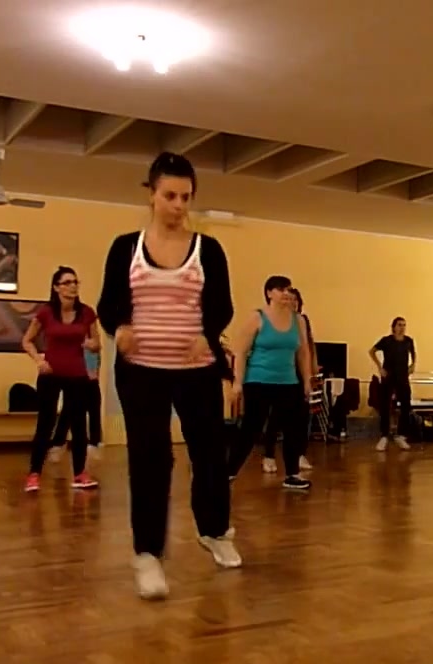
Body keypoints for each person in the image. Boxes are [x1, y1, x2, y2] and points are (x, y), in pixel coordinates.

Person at [96, 151, 240, 601]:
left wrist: (206, 336)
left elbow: (222, 306)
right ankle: (148, 553)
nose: (178, 205)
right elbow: (108, 304)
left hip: (195, 371)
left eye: (186, 197)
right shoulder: (126, 248)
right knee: (151, 458)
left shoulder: (208, 250)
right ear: (152, 195)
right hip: (141, 372)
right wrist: (119, 328)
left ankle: (214, 530)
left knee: (210, 454)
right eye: (170, 195)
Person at [227, 275, 313, 491]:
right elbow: (241, 352)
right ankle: (228, 471)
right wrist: (238, 383)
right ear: (269, 293)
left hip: (288, 381)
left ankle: (292, 474)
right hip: (258, 380)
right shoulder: (257, 317)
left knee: (293, 429)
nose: (286, 293)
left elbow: (303, 352)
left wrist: (306, 380)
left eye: (288, 289)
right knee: (251, 428)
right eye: (281, 289)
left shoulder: (298, 320)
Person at [21, 266, 100, 492]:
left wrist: (91, 345)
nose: (73, 286)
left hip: (77, 375)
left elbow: (97, 343)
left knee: (78, 426)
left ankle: (80, 474)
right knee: (45, 424)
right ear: (56, 287)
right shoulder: (46, 312)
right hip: (51, 374)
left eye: (75, 282)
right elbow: (27, 340)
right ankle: (34, 474)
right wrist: (39, 360)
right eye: (67, 282)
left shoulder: (87, 312)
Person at [262, 287, 315, 474]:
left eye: (295, 300)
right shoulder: (274, 320)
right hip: (282, 374)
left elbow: (308, 347)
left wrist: (311, 372)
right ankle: (268, 455)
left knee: (302, 416)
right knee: (276, 416)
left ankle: (299, 454)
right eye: (289, 299)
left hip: (300, 373)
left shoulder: (302, 321)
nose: (292, 303)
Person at [49, 344, 103, 464]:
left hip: (92, 380)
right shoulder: (74, 342)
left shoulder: (93, 341)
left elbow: (97, 357)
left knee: (94, 411)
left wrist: (95, 374)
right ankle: (58, 444)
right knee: (67, 411)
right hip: (76, 379)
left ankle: (94, 443)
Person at [370, 316, 416, 451]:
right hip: (388, 376)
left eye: (404, 325)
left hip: (403, 376)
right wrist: (380, 367)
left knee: (406, 405)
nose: (402, 328)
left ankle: (401, 435)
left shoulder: (408, 341)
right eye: (399, 325)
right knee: (385, 406)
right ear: (394, 327)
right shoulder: (387, 340)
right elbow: (372, 351)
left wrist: (413, 365)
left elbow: (413, 353)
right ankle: (384, 436)